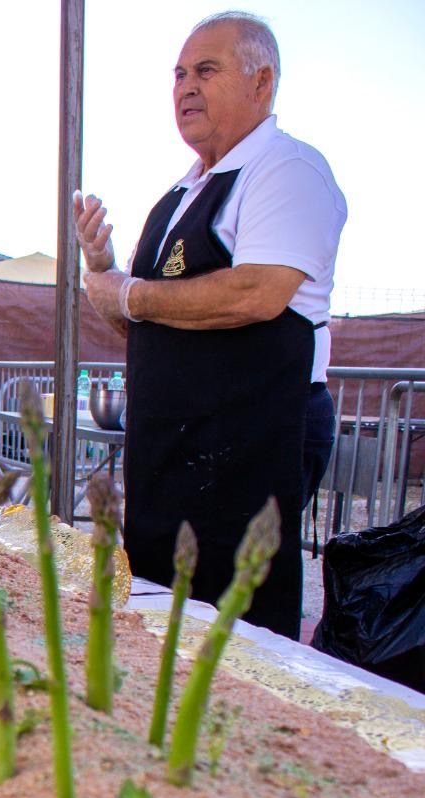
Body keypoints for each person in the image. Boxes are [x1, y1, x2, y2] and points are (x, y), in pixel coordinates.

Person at [75, 12, 346, 640]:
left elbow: (256, 293)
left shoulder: (287, 170)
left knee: (234, 624)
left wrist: (133, 292)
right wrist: (104, 269)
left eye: (206, 70)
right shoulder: (181, 192)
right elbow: (154, 328)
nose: (184, 88)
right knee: (161, 612)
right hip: (175, 441)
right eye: (177, 75)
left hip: (253, 435)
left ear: (262, 81)